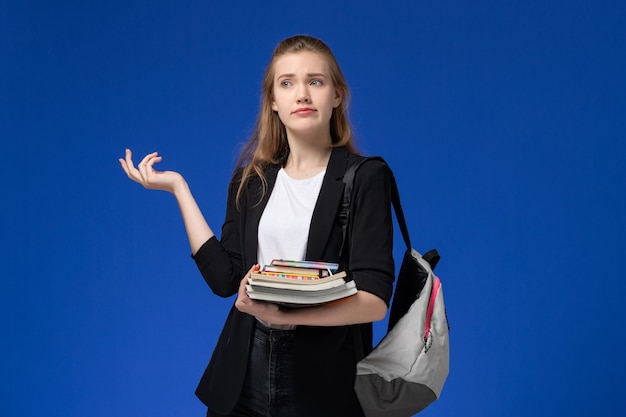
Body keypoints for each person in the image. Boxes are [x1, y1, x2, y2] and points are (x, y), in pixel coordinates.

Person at [119, 34, 395, 417]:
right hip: (243, 370)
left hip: (325, 379)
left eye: (315, 81)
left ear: (336, 96)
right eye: (287, 83)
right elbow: (225, 280)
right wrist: (178, 189)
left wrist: (287, 315)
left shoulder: (365, 177)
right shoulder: (253, 180)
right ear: (273, 102)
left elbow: (374, 301)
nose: (301, 94)